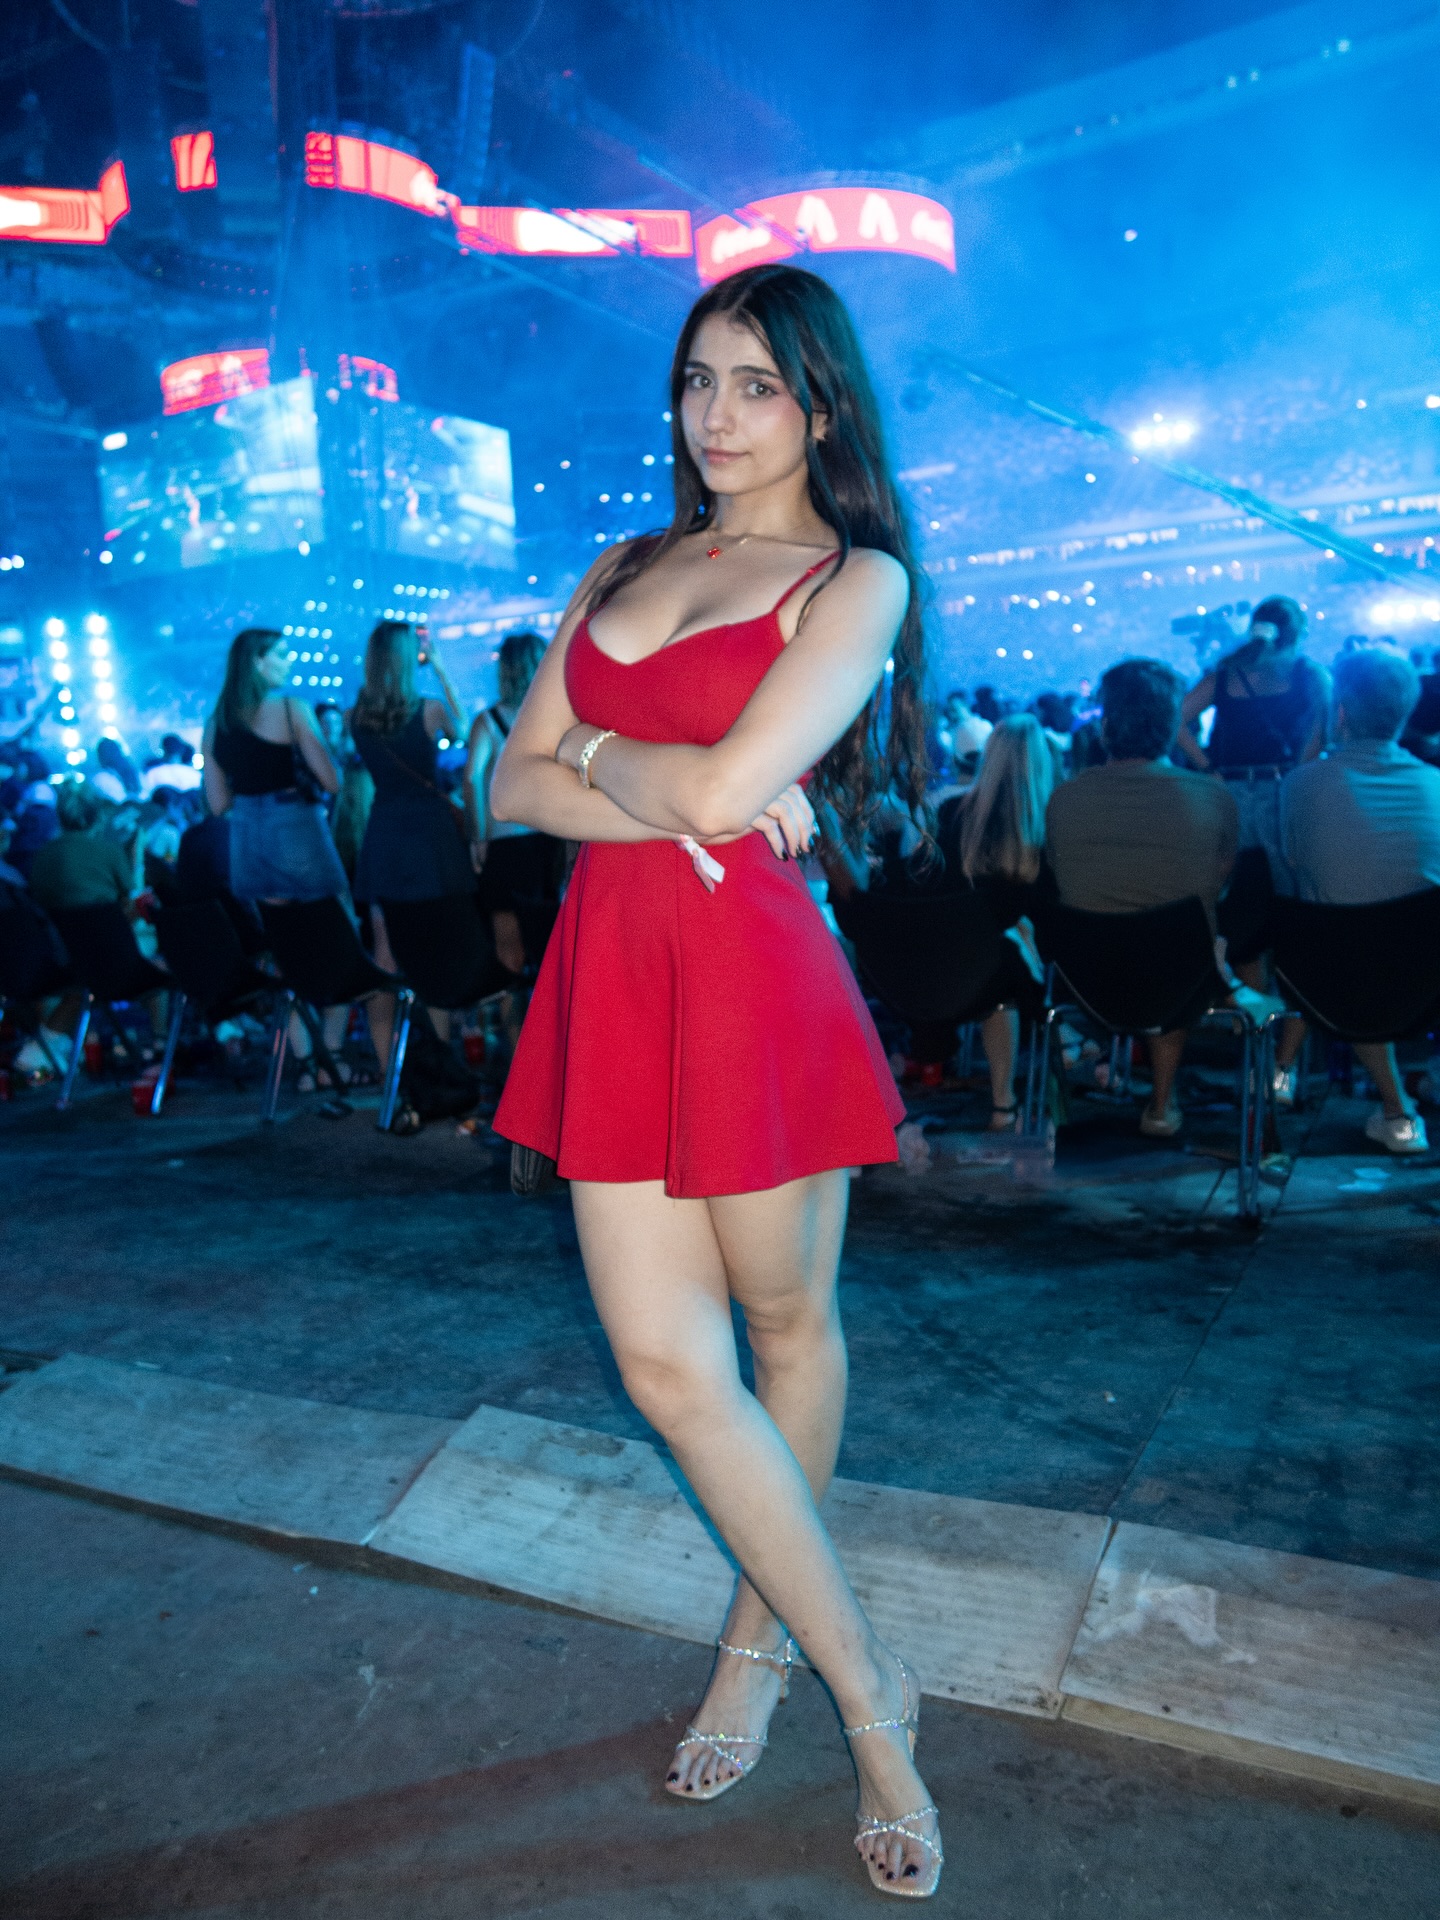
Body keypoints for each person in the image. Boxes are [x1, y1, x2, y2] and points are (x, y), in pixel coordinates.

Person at [489, 264, 942, 1898]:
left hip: (754, 984)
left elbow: (727, 786)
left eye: (756, 383)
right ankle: (872, 1689)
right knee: (668, 1369)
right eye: (698, 380)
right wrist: (645, 779)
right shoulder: (620, 566)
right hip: (614, 978)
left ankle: (757, 1656)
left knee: (785, 1331)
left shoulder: (855, 580)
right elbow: (510, 787)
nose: (717, 414)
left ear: (821, 404)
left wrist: (604, 758)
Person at [1046, 658, 1239, 1137]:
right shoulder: (1213, 798)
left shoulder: (1064, 799)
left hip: (1087, 982)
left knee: (1156, 941)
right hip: (1182, 980)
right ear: (1172, 725)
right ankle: (1162, 1101)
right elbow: (1222, 880)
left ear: (1106, 725)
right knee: (1176, 945)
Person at [1282, 645, 1440, 1154]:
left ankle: (1393, 1110)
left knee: (1341, 928)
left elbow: (1293, 863)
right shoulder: (1435, 785)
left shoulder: (1301, 786)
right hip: (1427, 982)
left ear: (1341, 713)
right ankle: (1408, 1100)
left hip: (1336, 978)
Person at [348, 621, 470, 1068]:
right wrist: (439, 666)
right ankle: (441, 1065)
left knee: (385, 955)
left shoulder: (355, 716)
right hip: (429, 838)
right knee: (435, 950)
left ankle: (388, 1071)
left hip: (384, 835)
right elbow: (462, 730)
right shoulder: (429, 710)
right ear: (406, 660)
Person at [1177, 595, 1327, 891]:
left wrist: (1207, 768)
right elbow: (1321, 733)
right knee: (1290, 882)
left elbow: (1173, 721)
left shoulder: (1224, 676)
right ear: (1297, 634)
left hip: (1229, 789)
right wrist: (1298, 774)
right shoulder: (1309, 676)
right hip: (1285, 787)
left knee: (1231, 883)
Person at [954, 714, 1059, 1128]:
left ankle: (1004, 1102)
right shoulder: (1052, 824)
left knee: (1007, 958)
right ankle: (1068, 1041)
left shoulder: (954, 816)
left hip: (954, 958)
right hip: (1022, 961)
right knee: (1018, 955)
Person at [202, 628, 344, 902]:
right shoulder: (292, 709)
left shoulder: (215, 724)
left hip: (245, 834)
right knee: (330, 915)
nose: (289, 661)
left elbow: (218, 804)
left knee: (275, 923)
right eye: (281, 654)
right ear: (257, 661)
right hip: (293, 822)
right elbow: (332, 782)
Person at [463, 631, 567, 979]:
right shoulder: (556, 718)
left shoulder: (488, 721)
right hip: (552, 838)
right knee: (555, 942)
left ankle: (512, 1014)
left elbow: (472, 778)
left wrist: (477, 835)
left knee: (508, 946)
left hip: (505, 842)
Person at [28, 778, 135, 914]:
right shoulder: (110, 852)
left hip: (57, 926)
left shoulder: (43, 854)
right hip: (105, 925)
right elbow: (132, 894)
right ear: (97, 815)